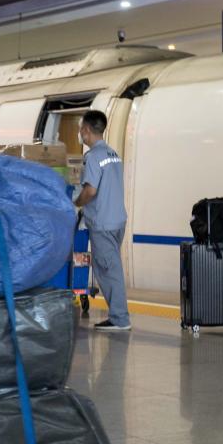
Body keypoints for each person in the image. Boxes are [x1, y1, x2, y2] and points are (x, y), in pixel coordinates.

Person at [74, 110, 131, 331]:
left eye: (81, 129)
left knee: (109, 272)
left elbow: (90, 190)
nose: (80, 133)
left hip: (103, 223)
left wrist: (77, 203)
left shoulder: (93, 157)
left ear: (86, 130)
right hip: (117, 221)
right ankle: (118, 316)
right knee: (109, 268)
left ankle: (120, 319)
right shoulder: (113, 154)